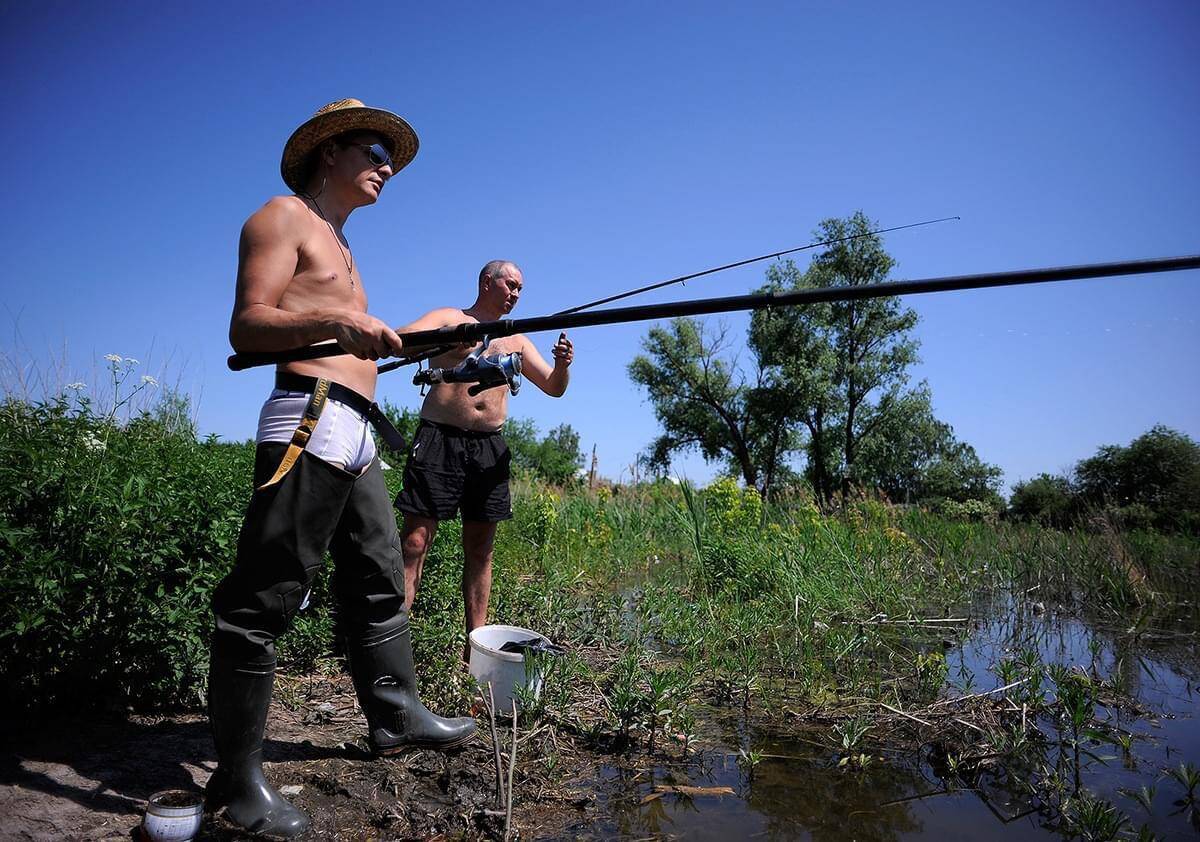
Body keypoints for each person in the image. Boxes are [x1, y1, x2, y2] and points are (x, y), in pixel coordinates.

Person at [208, 99, 475, 839]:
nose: (387, 167)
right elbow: (249, 323)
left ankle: (396, 717)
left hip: (357, 432)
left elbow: (361, 344)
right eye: (373, 151)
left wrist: (425, 339)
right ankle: (236, 789)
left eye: (390, 157)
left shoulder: (343, 245)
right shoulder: (282, 216)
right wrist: (338, 323)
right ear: (330, 152)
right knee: (261, 601)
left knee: (380, 577)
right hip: (308, 421)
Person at [395, 260, 574, 660]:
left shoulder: (517, 341)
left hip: (489, 449)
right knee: (415, 541)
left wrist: (562, 365)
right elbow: (401, 339)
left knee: (481, 550)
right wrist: (446, 338)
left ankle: (475, 651)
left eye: (521, 289)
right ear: (486, 282)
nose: (515, 293)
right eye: (510, 284)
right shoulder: (450, 317)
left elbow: (553, 387)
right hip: (439, 440)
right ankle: (394, 646)